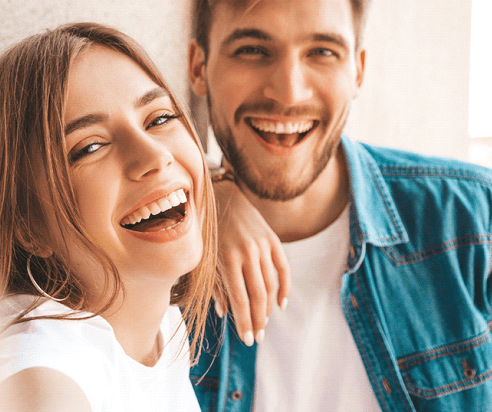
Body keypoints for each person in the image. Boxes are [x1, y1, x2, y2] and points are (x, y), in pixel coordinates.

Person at [187, 0, 492, 411]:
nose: (288, 92)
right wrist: (207, 195)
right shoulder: (163, 258)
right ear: (198, 67)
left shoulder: (473, 220)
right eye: (253, 50)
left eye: (322, 52)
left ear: (358, 70)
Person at [0, 22, 218, 412]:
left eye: (159, 119)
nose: (155, 156)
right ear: (28, 227)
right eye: (90, 147)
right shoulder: (44, 370)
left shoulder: (161, 324)